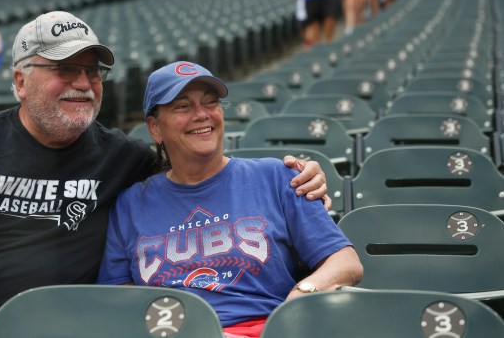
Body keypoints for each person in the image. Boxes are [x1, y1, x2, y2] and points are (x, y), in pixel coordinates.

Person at [0, 10, 330, 325]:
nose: (84, 84)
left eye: (93, 72)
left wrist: (302, 181)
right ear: (20, 81)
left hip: (85, 330)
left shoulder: (125, 158)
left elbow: (203, 173)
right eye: (65, 70)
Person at [97, 61, 364, 338]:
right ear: (155, 128)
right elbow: (117, 293)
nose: (202, 114)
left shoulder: (278, 176)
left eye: (210, 103)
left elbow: (345, 261)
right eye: (183, 106)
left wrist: (302, 294)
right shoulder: (129, 204)